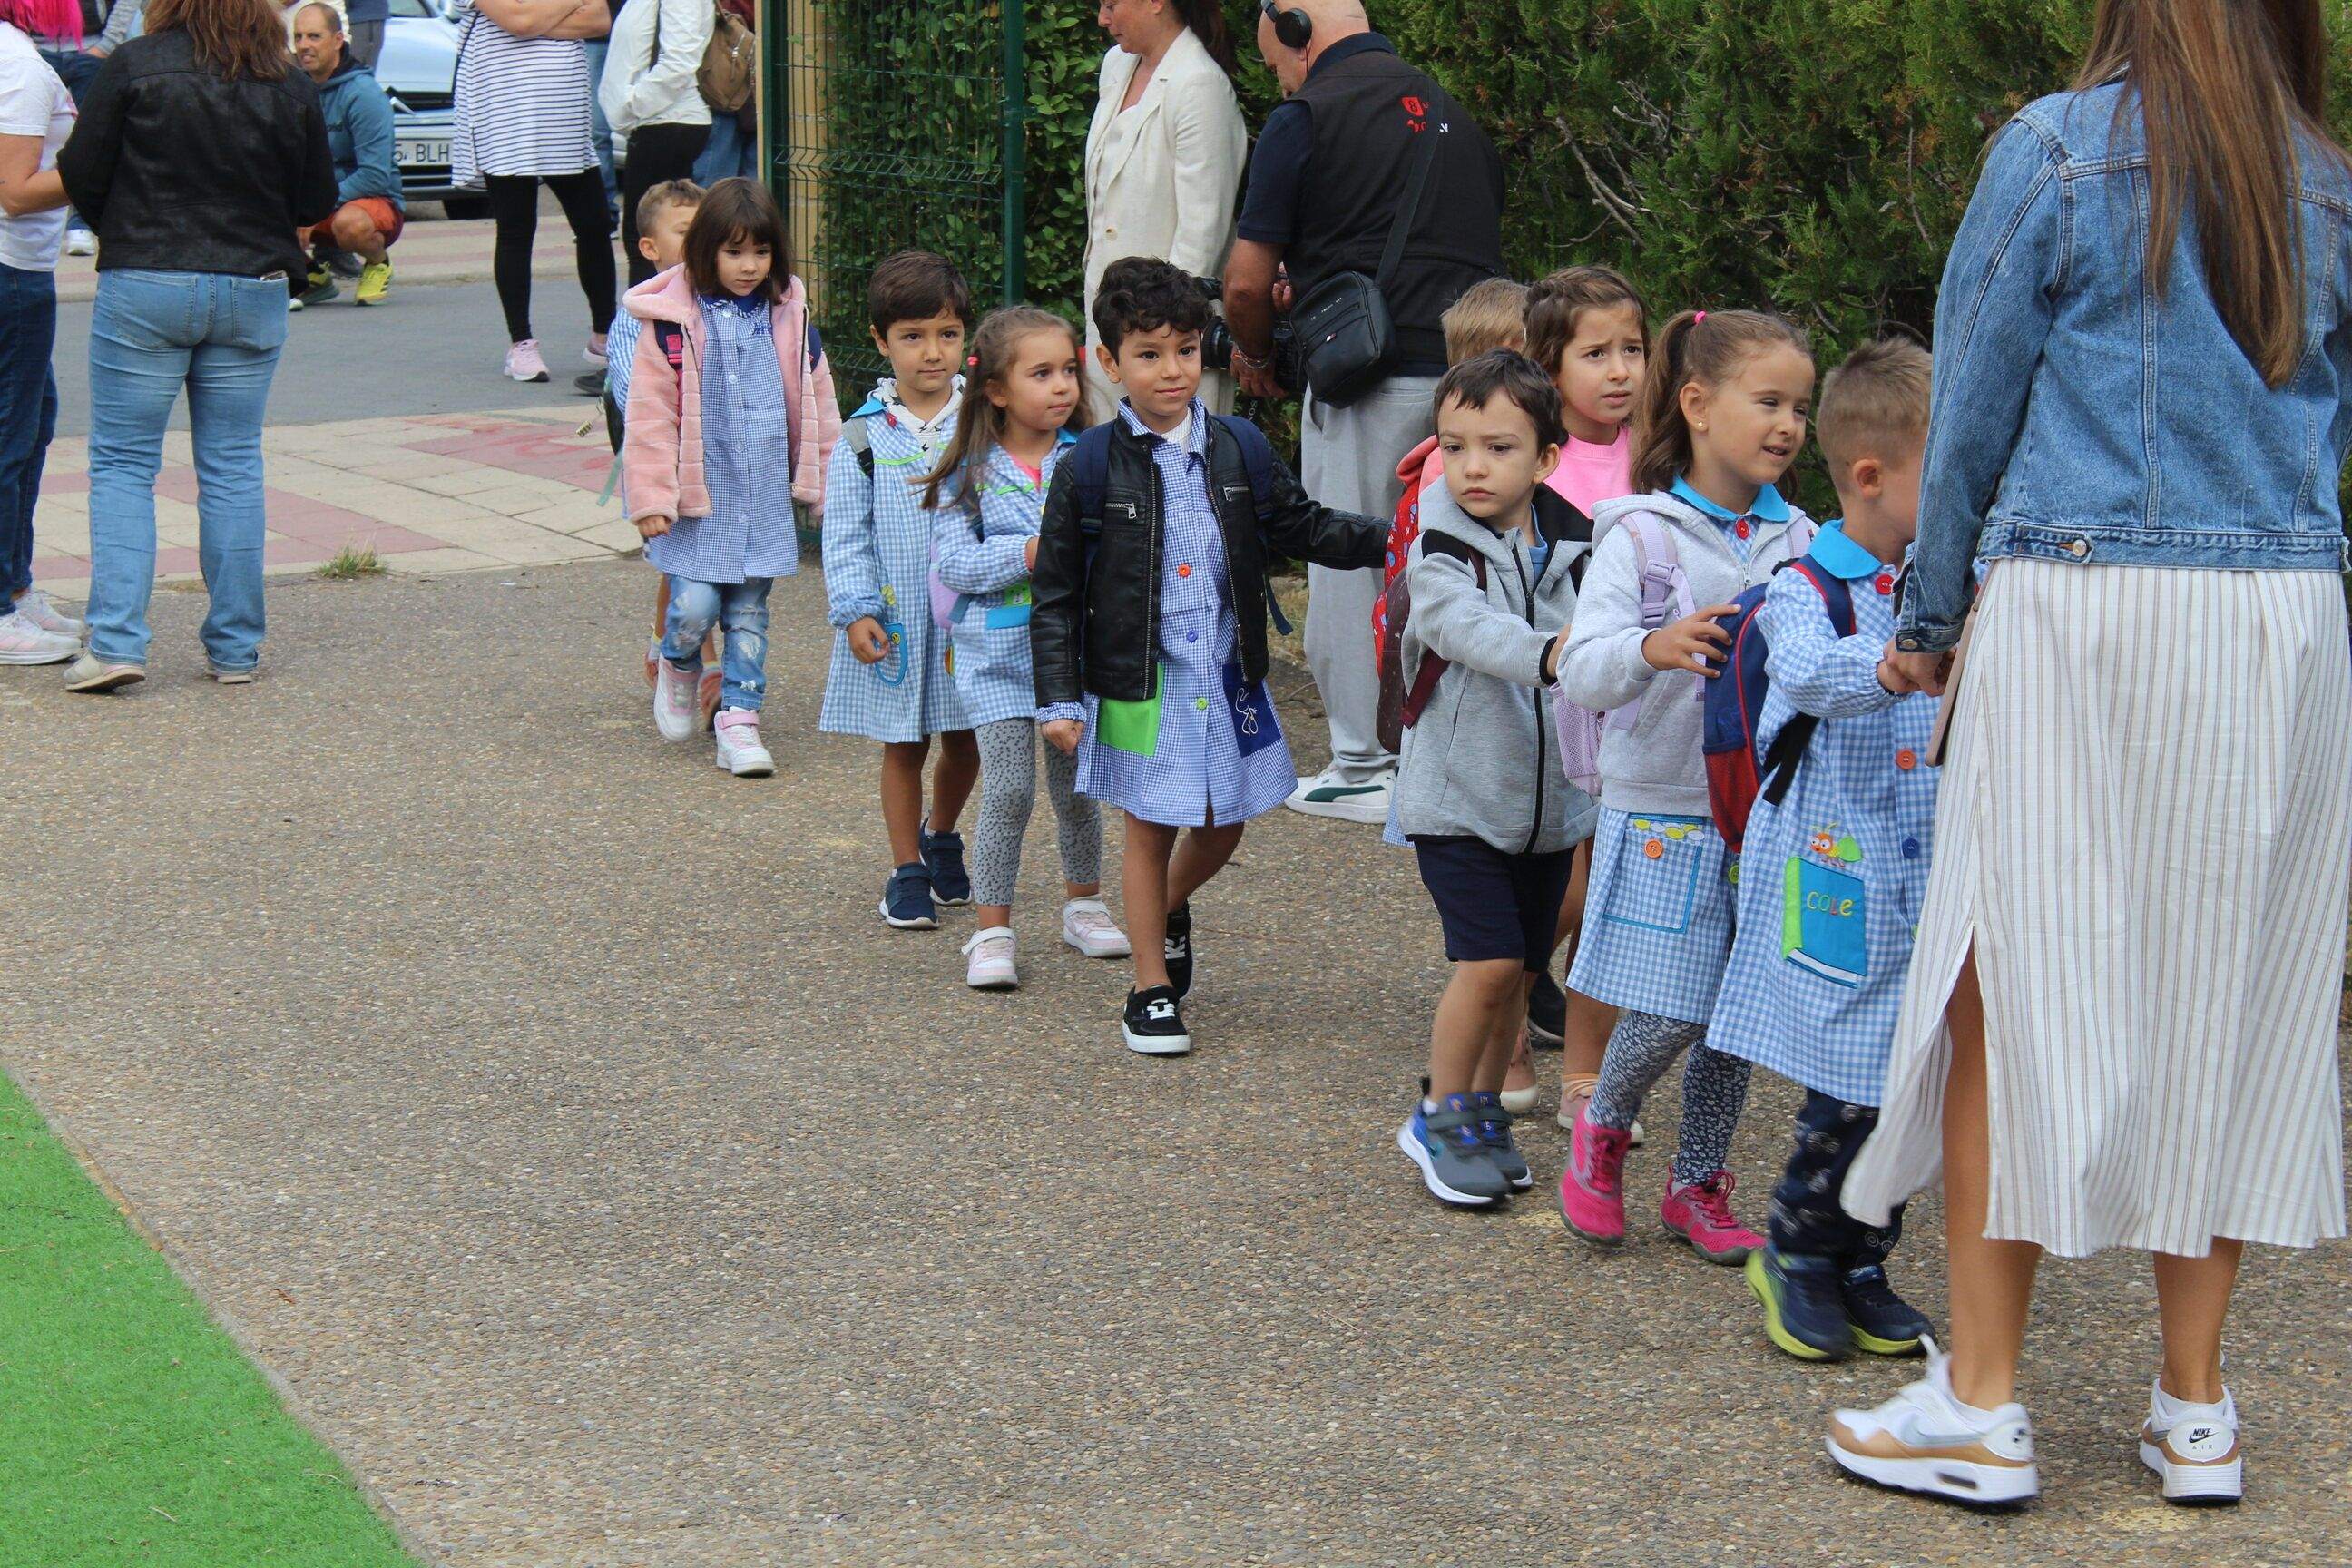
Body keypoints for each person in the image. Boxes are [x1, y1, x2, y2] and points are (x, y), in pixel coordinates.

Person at [1828, 0, 2352, 1511]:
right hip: (2283, 623)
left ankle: (1981, 1405)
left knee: (2012, 982)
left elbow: (1974, 409)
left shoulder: (2053, 155)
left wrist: (1927, 618)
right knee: (2238, 994)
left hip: (2085, 608)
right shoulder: (2324, 179)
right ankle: (2196, 1408)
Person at [1030, 257, 1386, 1056]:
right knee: (1150, 829)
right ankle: (1150, 989)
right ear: (1111, 363)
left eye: (1187, 350)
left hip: (1227, 673)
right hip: (1137, 681)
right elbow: (1054, 593)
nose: (1172, 371)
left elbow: (1301, 525)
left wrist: (1392, 538)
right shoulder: (1087, 466)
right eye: (1149, 355)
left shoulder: (1239, 448)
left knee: (1227, 820)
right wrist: (1057, 699)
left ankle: (1166, 905)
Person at [1553, 308, 1819, 1260]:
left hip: (1762, 814)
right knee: (1673, 1002)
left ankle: (1697, 1182)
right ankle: (1604, 1126)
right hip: (1664, 804)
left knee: (1736, 1012)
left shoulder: (1803, 543)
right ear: (1699, 405)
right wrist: (1653, 648)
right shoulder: (1642, 540)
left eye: (1801, 406)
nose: (1789, 425)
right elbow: (1583, 666)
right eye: (1769, 401)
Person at [1705, 338, 1938, 1363]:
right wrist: (1899, 663)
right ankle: (1796, 1251)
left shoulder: (1946, 579)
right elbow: (1808, 676)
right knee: (1849, 1077)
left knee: (1914, 1081)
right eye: (1955, 471)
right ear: (1872, 477)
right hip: (1833, 871)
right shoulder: (1805, 588)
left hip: (1929, 872)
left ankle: (1863, 1257)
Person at [1222, 0, 1504, 828]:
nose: (1276, 69)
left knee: (1352, 565)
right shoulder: (1459, 117)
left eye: (1273, 51)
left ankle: (1362, 761)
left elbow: (1243, 282)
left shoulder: (1305, 115)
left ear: (1296, 28)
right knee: (1445, 560)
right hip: (1472, 380)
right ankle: (1438, 754)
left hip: (1366, 381)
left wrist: (1264, 353)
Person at [54, 0, 335, 692]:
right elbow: (315, 198)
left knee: (123, 465)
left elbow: (82, 173)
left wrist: (124, 225)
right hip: (254, 285)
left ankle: (117, 640)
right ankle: (235, 650)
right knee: (233, 465)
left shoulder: (135, 65)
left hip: (147, 278)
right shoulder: (286, 78)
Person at [1390, 351, 1587, 1207]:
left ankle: (1481, 1115)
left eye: (1498, 447)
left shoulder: (1581, 539)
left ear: (1545, 458)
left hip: (1550, 811)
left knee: (1522, 966)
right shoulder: (1438, 549)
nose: (1472, 466)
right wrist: (1555, 653)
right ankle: (1441, 1113)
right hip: (1458, 801)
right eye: (1455, 445)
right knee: (1489, 961)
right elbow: (1467, 630)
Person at [925, 307, 1130, 990]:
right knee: (1009, 789)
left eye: (1068, 370)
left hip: (1073, 658)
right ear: (998, 391)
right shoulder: (968, 475)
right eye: (1041, 373)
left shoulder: (1092, 459)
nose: (1062, 386)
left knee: (1077, 791)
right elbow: (955, 564)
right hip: (995, 663)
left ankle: (1084, 905)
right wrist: (1030, 553)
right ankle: (991, 931)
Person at [623, 177, 836, 777]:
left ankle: (740, 720)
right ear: (706, 249)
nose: (748, 266)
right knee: (691, 608)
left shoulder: (789, 320)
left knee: (748, 615)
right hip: (697, 500)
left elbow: (820, 408)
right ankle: (678, 661)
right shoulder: (671, 323)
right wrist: (651, 494)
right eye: (733, 251)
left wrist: (827, 487)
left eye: (760, 252)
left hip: (762, 498)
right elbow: (648, 417)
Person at [817, 250, 979, 930]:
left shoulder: (986, 423)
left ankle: (943, 833)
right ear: (883, 342)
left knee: (970, 740)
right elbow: (846, 535)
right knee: (903, 744)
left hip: (974, 621)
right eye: (912, 337)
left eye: (946, 334)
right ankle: (904, 869)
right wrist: (855, 611)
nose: (932, 353)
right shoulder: (862, 437)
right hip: (900, 622)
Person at [1519, 265, 1644, 1128]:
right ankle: (1511, 1026)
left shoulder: (1663, 450)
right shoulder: (1533, 461)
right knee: (1555, 895)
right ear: (1548, 366)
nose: (1619, 371)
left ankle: (1587, 1081)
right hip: (1553, 707)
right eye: (1594, 353)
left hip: (1641, 705)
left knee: (1610, 898)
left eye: (1632, 349)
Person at [1083, 0, 1244, 416]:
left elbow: (1200, 240)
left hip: (1171, 340)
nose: (1103, 19)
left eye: (1111, 4)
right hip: (1110, 324)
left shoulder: (1200, 85)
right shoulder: (1117, 66)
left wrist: (1156, 346)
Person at [449, 0, 615, 384]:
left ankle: (604, 334)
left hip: (564, 112)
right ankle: (521, 343)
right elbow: (518, 20)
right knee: (516, 230)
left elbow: (599, 19)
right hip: (505, 112)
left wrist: (533, 18)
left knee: (593, 223)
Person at [602, 175, 717, 720]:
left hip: (716, 457)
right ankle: (702, 661)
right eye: (686, 232)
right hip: (662, 460)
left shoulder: (725, 304)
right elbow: (637, 397)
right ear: (650, 248)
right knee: (682, 558)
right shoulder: (637, 315)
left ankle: (667, 642)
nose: (702, 243)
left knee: (696, 562)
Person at [0, 0, 84, 664]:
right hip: (12, 270)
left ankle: (16, 584)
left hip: (18, 269)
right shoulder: (20, 66)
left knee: (33, 423)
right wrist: (101, 169)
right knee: (12, 434)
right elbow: (17, 190)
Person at [288, 1, 398, 308]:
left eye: (313, 36)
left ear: (338, 40)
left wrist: (318, 207)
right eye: (298, 37)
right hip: (318, 202)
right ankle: (313, 277)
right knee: (257, 209)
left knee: (350, 226)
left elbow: (375, 175)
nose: (303, 46)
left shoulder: (363, 94)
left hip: (368, 203)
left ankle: (378, 263)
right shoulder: (292, 90)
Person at [595, 0, 705, 289]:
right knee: (648, 239)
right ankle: (653, 323)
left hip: (669, 121)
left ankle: (649, 326)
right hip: (656, 122)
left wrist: (632, 103)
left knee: (648, 240)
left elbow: (680, 60)